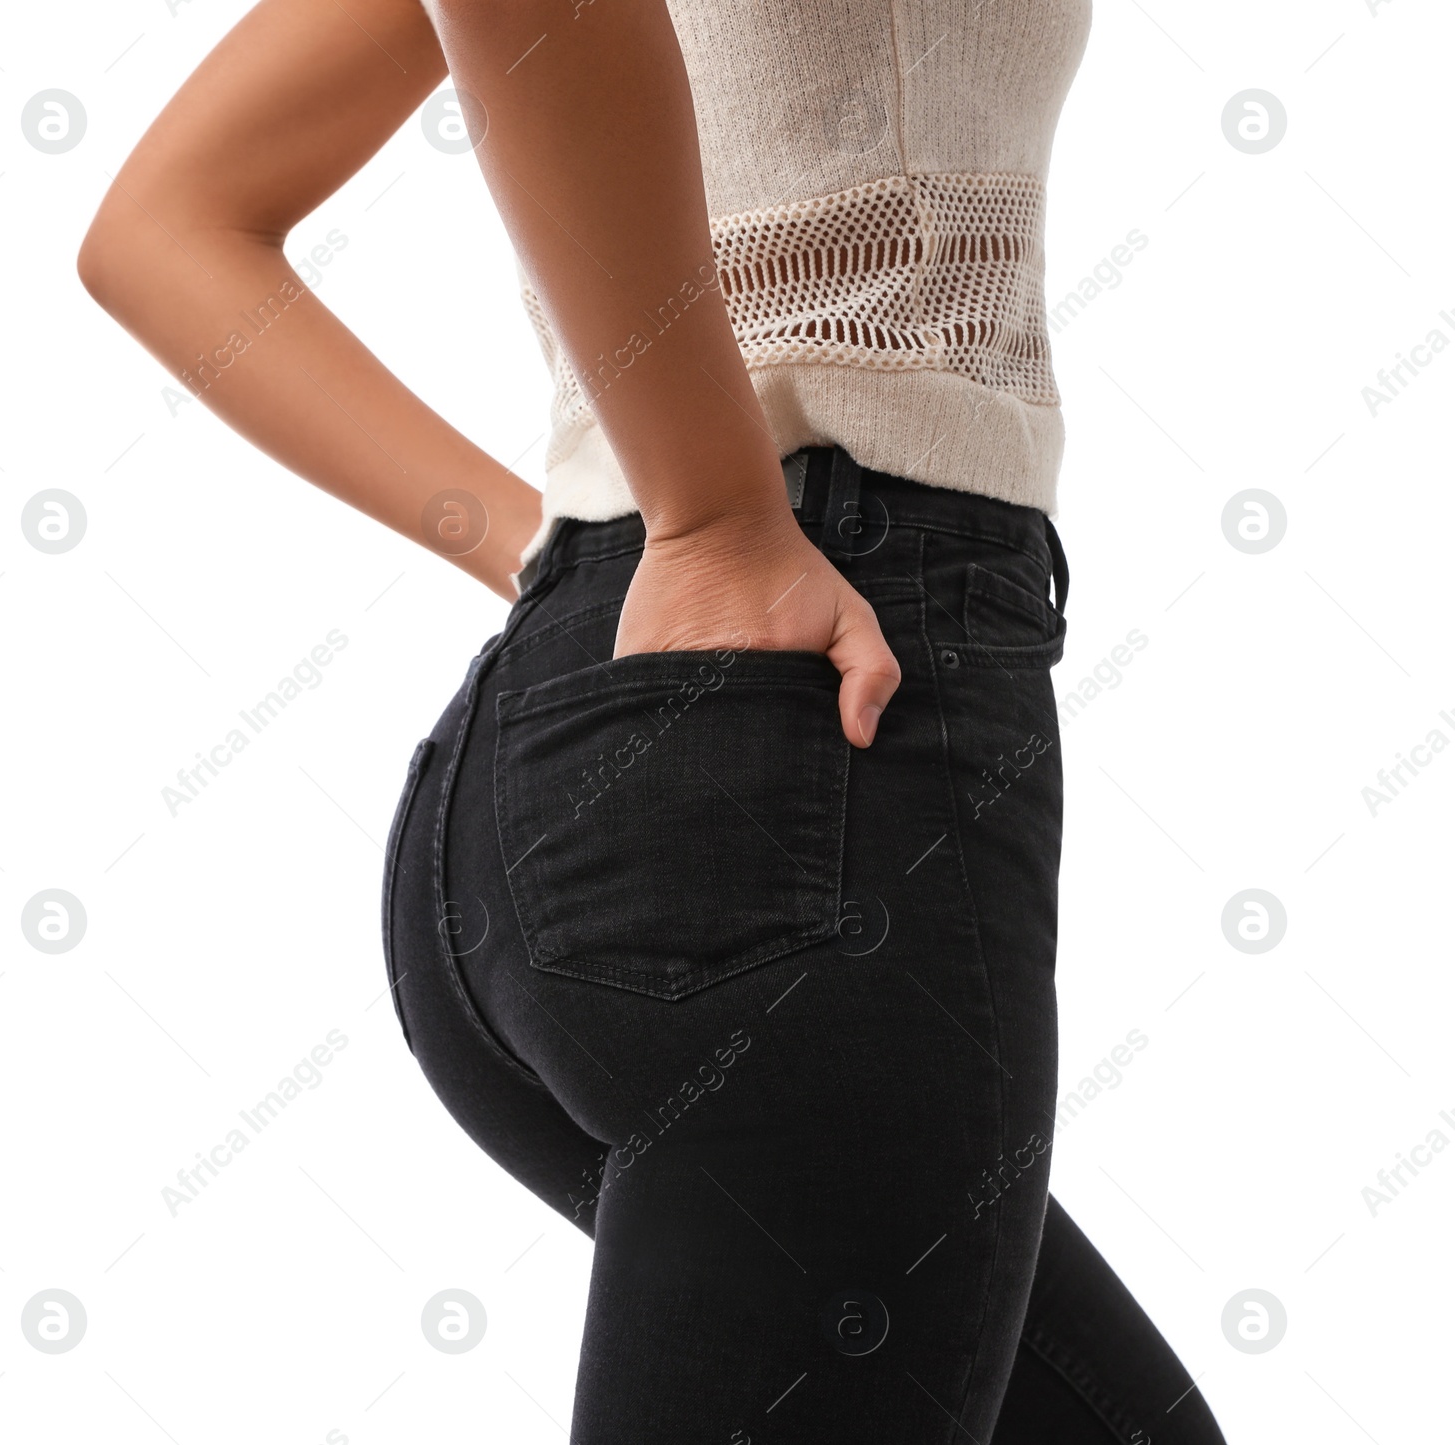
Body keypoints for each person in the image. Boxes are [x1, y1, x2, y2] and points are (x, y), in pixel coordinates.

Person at [78, 0, 1228, 1439]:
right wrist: (711, 515)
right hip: (800, 753)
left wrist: (582, 538)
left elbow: (167, 226)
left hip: (573, 769)